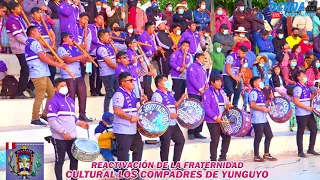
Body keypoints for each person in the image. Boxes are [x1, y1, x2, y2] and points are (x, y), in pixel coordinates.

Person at [46, 78, 89, 180]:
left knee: (74, 160)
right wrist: (63, 132)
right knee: (60, 161)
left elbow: (72, 117)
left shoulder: (70, 100)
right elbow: (52, 121)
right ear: (55, 88)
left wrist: (80, 123)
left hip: (72, 137)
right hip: (60, 138)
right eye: (61, 86)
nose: (65, 88)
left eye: (65, 85)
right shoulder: (53, 102)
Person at [25, 26, 65, 126]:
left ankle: (45, 115)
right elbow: (42, 57)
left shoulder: (33, 43)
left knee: (52, 93)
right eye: (38, 32)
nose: (40, 34)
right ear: (33, 33)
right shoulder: (33, 42)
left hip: (43, 72)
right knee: (40, 95)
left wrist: (55, 58)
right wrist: (58, 65)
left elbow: (45, 55)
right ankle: (34, 118)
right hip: (38, 72)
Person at [112, 72, 147, 179]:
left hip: (133, 129)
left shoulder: (132, 93)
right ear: (123, 82)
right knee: (123, 152)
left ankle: (135, 173)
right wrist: (130, 118)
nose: (133, 82)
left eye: (133, 80)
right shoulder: (118, 94)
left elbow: (136, 108)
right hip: (123, 129)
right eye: (130, 80)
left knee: (138, 148)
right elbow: (117, 110)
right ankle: (122, 175)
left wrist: (142, 101)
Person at [152, 74, 186, 166]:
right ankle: (164, 166)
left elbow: (174, 105)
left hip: (173, 123)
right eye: (165, 81)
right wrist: (170, 115)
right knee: (165, 145)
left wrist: (182, 99)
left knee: (180, 141)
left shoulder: (170, 93)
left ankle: (176, 163)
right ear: (159, 84)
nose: (168, 82)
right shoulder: (157, 95)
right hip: (164, 124)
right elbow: (157, 110)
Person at [58, 32, 91, 122]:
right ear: (64, 39)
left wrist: (87, 58)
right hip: (68, 75)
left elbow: (82, 60)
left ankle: (82, 114)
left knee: (83, 94)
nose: (73, 40)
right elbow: (67, 60)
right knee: (71, 96)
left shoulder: (75, 48)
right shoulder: (61, 48)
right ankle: (70, 115)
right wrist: (81, 56)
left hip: (78, 74)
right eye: (70, 37)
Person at [7, 1, 34, 98]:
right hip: (19, 48)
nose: (20, 9)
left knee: (32, 67)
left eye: (20, 7)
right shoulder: (11, 20)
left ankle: (29, 87)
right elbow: (19, 37)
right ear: (12, 10)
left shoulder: (20, 18)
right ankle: (19, 92)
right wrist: (30, 43)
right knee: (25, 69)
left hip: (25, 47)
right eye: (18, 7)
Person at [203, 74, 232, 161]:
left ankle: (223, 157)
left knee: (227, 136)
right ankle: (213, 159)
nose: (220, 83)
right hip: (213, 121)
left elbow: (226, 103)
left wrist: (228, 106)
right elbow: (206, 108)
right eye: (217, 81)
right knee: (215, 139)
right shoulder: (207, 93)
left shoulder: (222, 92)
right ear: (212, 82)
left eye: (220, 81)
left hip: (223, 119)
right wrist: (215, 118)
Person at [249, 76, 277, 162]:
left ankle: (266, 154)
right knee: (258, 137)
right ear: (254, 83)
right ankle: (256, 155)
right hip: (257, 119)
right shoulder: (253, 93)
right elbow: (252, 105)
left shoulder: (261, 92)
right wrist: (262, 109)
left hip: (263, 118)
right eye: (259, 81)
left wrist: (269, 100)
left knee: (269, 135)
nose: (261, 82)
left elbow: (263, 104)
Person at [292, 70, 320, 157]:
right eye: (302, 75)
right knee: (301, 131)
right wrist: (306, 107)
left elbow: (309, 98)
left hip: (308, 113)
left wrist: (315, 94)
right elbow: (296, 101)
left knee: (314, 130)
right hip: (301, 113)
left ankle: (310, 148)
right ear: (298, 77)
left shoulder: (306, 86)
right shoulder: (298, 88)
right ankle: (300, 151)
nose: (304, 76)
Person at [30, 7, 57, 83]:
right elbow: (37, 38)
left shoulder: (45, 23)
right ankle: (31, 87)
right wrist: (45, 45)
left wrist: (53, 43)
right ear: (33, 15)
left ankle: (51, 88)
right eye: (37, 13)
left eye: (40, 12)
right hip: (42, 50)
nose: (40, 14)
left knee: (52, 70)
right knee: (42, 70)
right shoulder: (32, 25)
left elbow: (52, 34)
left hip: (50, 48)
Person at [186, 53, 208, 140]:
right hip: (194, 92)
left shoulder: (203, 68)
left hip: (202, 93)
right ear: (197, 58)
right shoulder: (192, 66)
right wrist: (200, 89)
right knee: (193, 112)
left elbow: (205, 80)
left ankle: (197, 131)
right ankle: (191, 131)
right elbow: (193, 79)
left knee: (201, 112)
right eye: (202, 58)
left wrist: (206, 86)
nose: (203, 59)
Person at [96, 29, 118, 113]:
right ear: (101, 38)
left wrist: (112, 45)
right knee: (109, 93)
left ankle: (116, 110)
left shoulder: (108, 45)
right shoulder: (101, 48)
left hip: (113, 72)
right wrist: (119, 68)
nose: (109, 37)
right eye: (107, 36)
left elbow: (117, 54)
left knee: (117, 92)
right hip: (107, 74)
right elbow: (109, 63)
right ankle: (106, 112)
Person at [138, 21, 157, 100]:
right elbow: (149, 50)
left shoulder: (151, 36)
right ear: (148, 28)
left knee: (149, 81)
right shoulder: (143, 36)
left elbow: (154, 48)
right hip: (144, 59)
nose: (154, 29)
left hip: (149, 59)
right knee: (146, 80)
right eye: (153, 27)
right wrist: (154, 49)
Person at [88, 14, 104, 96]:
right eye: (100, 18)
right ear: (95, 19)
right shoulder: (90, 27)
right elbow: (93, 39)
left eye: (102, 18)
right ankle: (92, 90)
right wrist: (102, 40)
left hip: (99, 54)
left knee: (100, 73)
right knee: (91, 73)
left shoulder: (103, 29)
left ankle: (98, 89)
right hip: (90, 54)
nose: (102, 20)